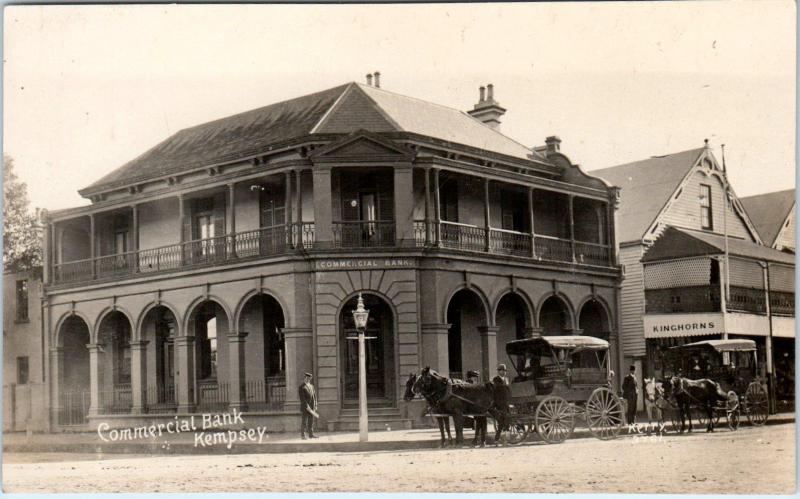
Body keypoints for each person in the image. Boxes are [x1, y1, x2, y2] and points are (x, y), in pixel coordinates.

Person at [466, 370, 487, 447]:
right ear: (472, 377)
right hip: (476, 406)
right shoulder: (471, 384)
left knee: (480, 424)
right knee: (481, 424)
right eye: (475, 377)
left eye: (476, 377)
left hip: (477, 406)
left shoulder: (470, 384)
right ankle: (481, 441)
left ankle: (478, 441)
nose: (476, 379)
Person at [492, 364, 512, 444]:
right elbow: (498, 388)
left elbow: (509, 391)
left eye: (504, 371)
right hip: (499, 403)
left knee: (506, 420)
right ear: (499, 371)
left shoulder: (506, 379)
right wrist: (506, 386)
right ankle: (500, 439)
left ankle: (502, 439)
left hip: (506, 403)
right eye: (502, 370)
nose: (503, 372)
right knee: (503, 420)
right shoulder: (496, 379)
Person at [299, 372, 318, 439]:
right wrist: (307, 407)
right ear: (305, 378)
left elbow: (314, 397)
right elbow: (302, 399)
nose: (308, 380)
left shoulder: (311, 386)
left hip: (312, 407)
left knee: (311, 421)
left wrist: (315, 405)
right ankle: (303, 435)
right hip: (305, 407)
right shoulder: (302, 387)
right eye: (307, 378)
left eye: (309, 378)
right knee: (304, 421)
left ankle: (311, 434)